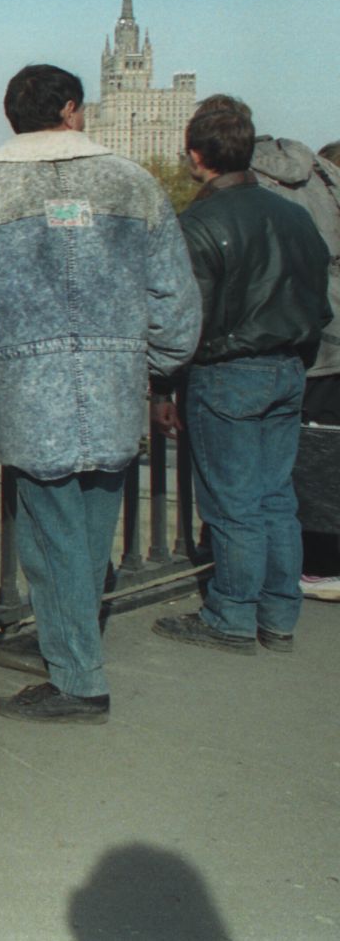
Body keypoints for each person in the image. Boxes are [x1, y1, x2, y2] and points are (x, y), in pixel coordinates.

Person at [0, 64, 200, 724]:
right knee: (89, 527)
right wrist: (157, 364)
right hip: (115, 383)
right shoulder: (133, 183)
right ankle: (73, 655)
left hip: (28, 389)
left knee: (48, 532)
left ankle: (79, 679)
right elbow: (174, 298)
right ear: (73, 110)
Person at [150, 102, 331, 654]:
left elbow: (185, 319)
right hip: (289, 367)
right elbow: (317, 299)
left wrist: (162, 388)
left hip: (227, 372)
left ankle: (230, 614)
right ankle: (278, 618)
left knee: (232, 503)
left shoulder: (199, 224)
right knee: (276, 497)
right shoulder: (294, 216)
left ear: (196, 156)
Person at [225, 101, 340, 599]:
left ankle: (289, 570)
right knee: (321, 457)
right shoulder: (325, 182)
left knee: (279, 465)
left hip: (286, 337)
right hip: (331, 335)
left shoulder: (255, 182)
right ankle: (316, 565)